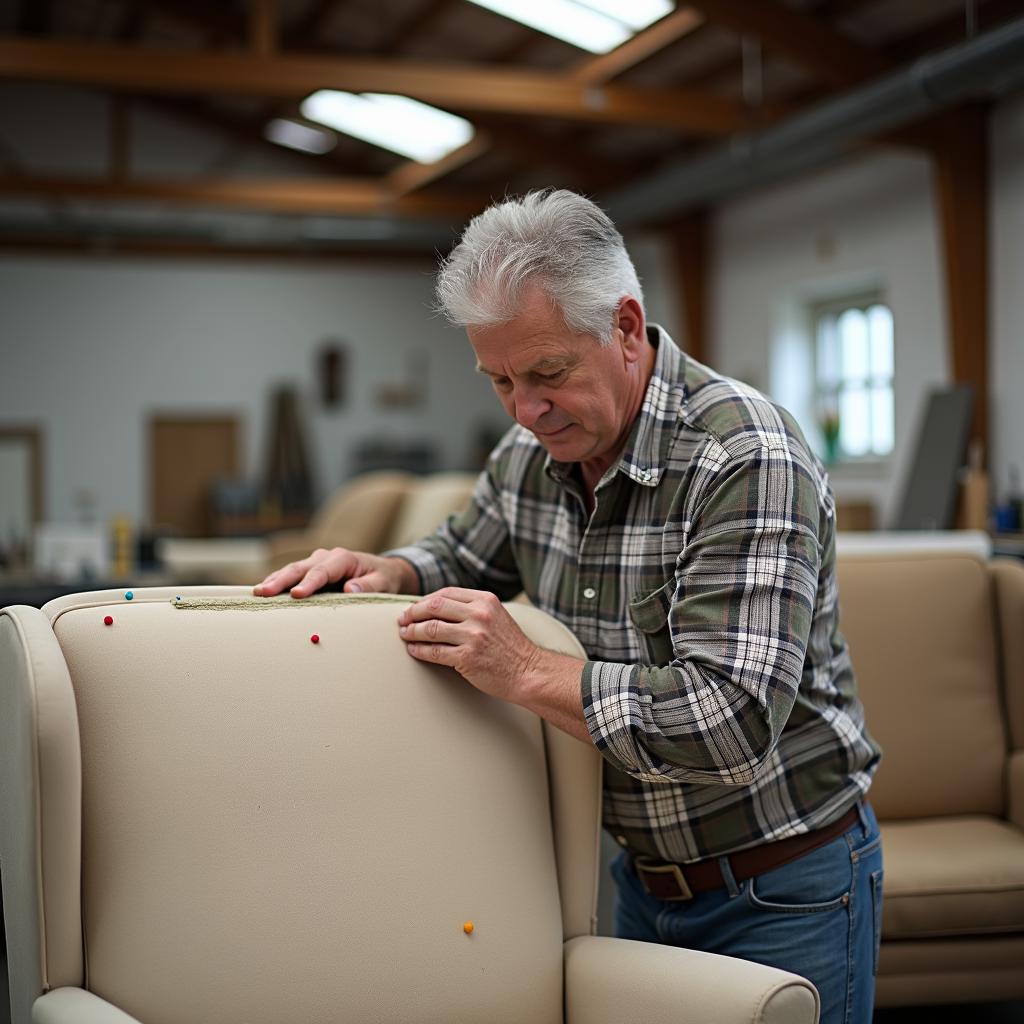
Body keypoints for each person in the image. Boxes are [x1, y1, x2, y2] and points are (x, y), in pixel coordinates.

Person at [254, 189, 883, 1023]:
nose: (524, 410)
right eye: (501, 380)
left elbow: (728, 719)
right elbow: (460, 553)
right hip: (638, 883)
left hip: (782, 888)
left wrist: (522, 669)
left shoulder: (743, 456)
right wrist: (389, 572)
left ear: (626, 328)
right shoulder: (530, 452)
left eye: (547, 373)